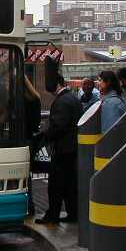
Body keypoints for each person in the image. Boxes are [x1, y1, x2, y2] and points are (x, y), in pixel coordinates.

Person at [36, 74, 82, 224]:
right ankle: (73, 213)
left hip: (63, 149)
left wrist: (45, 136)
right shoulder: (73, 98)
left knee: (55, 185)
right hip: (73, 148)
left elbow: (58, 126)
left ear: (58, 83)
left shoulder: (62, 101)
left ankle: (52, 215)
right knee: (70, 184)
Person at [23, 75, 42, 217]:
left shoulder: (19, 101)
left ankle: (28, 205)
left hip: (23, 140)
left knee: (23, 175)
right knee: (27, 174)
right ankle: (30, 205)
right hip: (31, 140)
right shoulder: (36, 100)